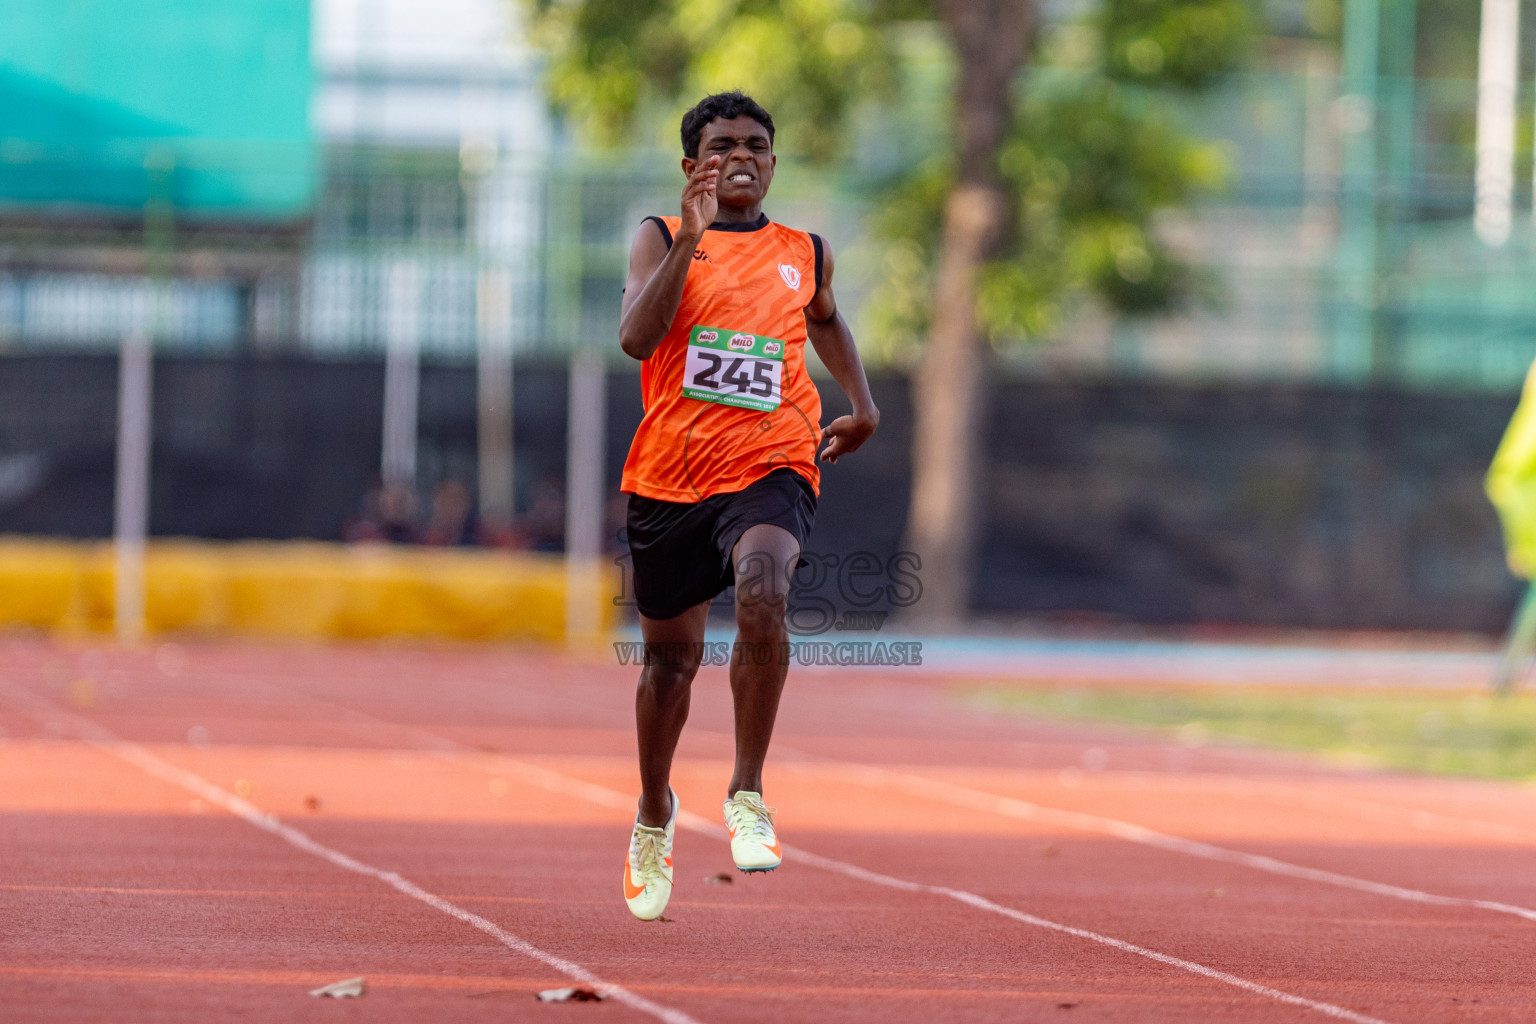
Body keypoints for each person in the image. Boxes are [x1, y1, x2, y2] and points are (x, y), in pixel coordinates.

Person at [617, 91, 879, 920]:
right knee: (670, 664)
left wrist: (862, 403)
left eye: (756, 144)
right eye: (723, 143)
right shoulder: (661, 237)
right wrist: (691, 238)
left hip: (773, 462)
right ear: (693, 162)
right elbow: (635, 339)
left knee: (766, 593)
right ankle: (655, 808)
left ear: (773, 160)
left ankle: (746, 791)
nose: (741, 155)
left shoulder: (806, 250)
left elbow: (825, 321)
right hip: (669, 478)